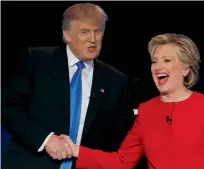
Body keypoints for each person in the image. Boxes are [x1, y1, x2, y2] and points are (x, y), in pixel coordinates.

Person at [61, 33, 204, 169]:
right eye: (154, 62)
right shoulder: (147, 111)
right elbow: (121, 161)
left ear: (186, 69)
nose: (158, 67)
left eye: (167, 60)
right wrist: (75, 150)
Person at [2, 3, 135, 169]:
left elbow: (121, 131)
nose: (93, 39)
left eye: (98, 31)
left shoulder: (115, 80)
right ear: (67, 34)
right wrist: (46, 140)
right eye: (84, 32)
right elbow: (7, 107)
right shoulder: (37, 60)